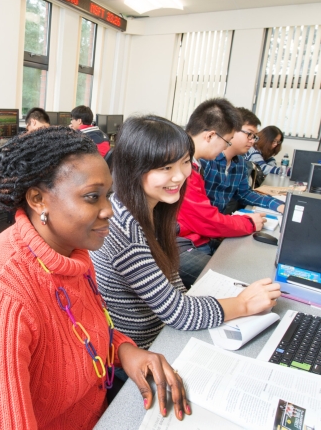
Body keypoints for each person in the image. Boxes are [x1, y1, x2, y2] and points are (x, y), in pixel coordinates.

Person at [0, 127, 189, 430]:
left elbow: (82, 330)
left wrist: (125, 350)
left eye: (108, 195)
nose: (108, 211)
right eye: (92, 197)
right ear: (38, 199)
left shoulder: (74, 251)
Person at [91, 115, 281, 351]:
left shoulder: (152, 208)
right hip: (144, 348)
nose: (180, 175)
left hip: (163, 332)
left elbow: (171, 280)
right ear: (134, 169)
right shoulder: (124, 227)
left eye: (184, 162)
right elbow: (178, 312)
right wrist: (243, 304)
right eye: (166, 167)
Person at [177, 99, 265, 285]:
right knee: (237, 281)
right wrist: (248, 223)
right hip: (178, 244)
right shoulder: (180, 166)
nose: (226, 147)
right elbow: (205, 220)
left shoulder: (192, 162)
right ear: (209, 136)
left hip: (194, 237)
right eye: (227, 141)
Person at [201, 108, 285, 215]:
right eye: (249, 134)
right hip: (202, 224)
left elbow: (244, 194)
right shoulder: (206, 160)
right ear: (231, 129)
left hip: (218, 223)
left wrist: (278, 205)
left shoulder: (240, 162)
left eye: (254, 136)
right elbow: (198, 211)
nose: (253, 140)